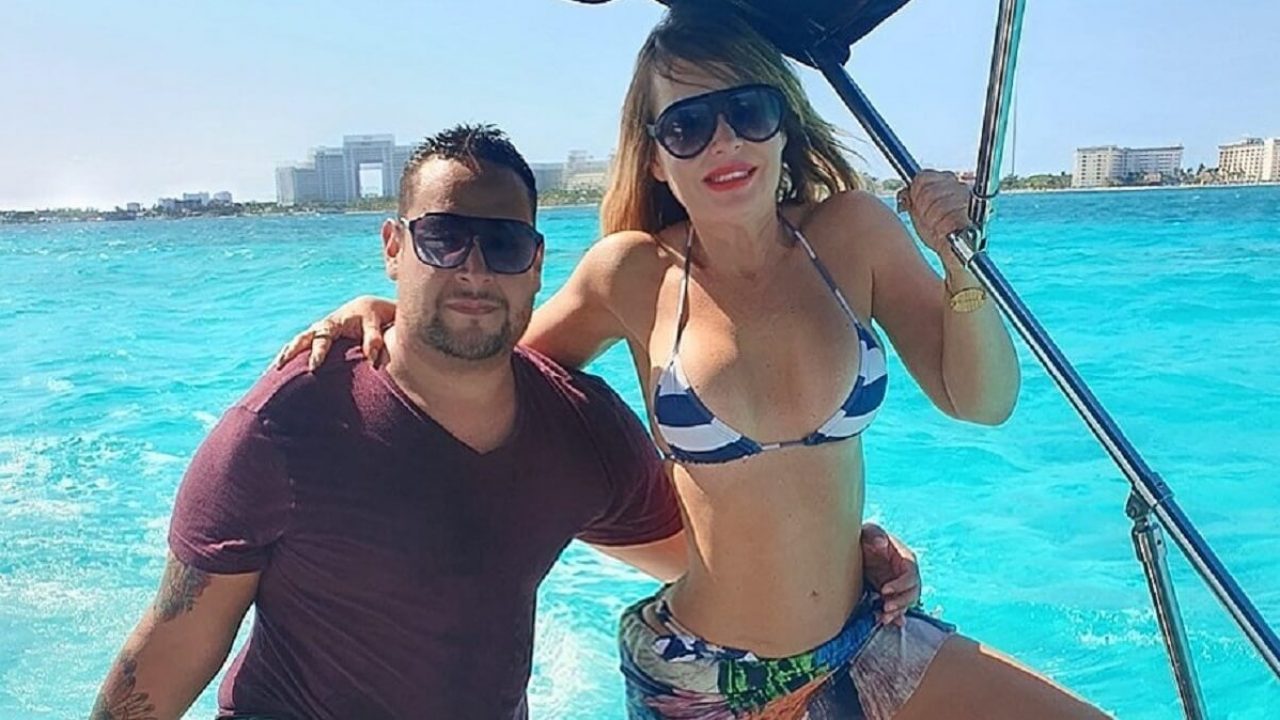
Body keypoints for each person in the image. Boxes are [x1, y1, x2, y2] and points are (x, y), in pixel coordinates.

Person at [279, 8, 1112, 719]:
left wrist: (959, 263)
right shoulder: (631, 274)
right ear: (655, 156)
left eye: (747, 110)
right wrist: (395, 316)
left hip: (868, 635)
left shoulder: (854, 235)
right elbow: (490, 379)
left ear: (784, 123)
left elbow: (981, 400)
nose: (724, 142)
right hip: (705, 681)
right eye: (687, 125)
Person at [90, 124, 921, 720]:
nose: (475, 268)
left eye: (504, 245)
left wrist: (850, 558)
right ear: (393, 248)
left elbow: (707, 556)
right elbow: (170, 652)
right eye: (444, 239)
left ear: (537, 265)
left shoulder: (575, 427)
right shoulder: (285, 426)